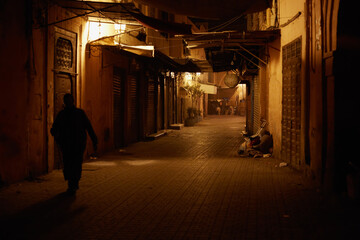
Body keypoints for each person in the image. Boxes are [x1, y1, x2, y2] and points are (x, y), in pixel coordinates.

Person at [51, 94, 97, 195]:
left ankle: (73, 183)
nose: (68, 102)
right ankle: (72, 184)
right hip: (68, 145)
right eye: (66, 100)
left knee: (74, 164)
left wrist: (94, 140)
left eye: (69, 100)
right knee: (69, 164)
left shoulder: (78, 113)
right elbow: (54, 128)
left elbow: (88, 127)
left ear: (72, 101)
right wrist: (57, 136)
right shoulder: (63, 115)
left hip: (77, 144)